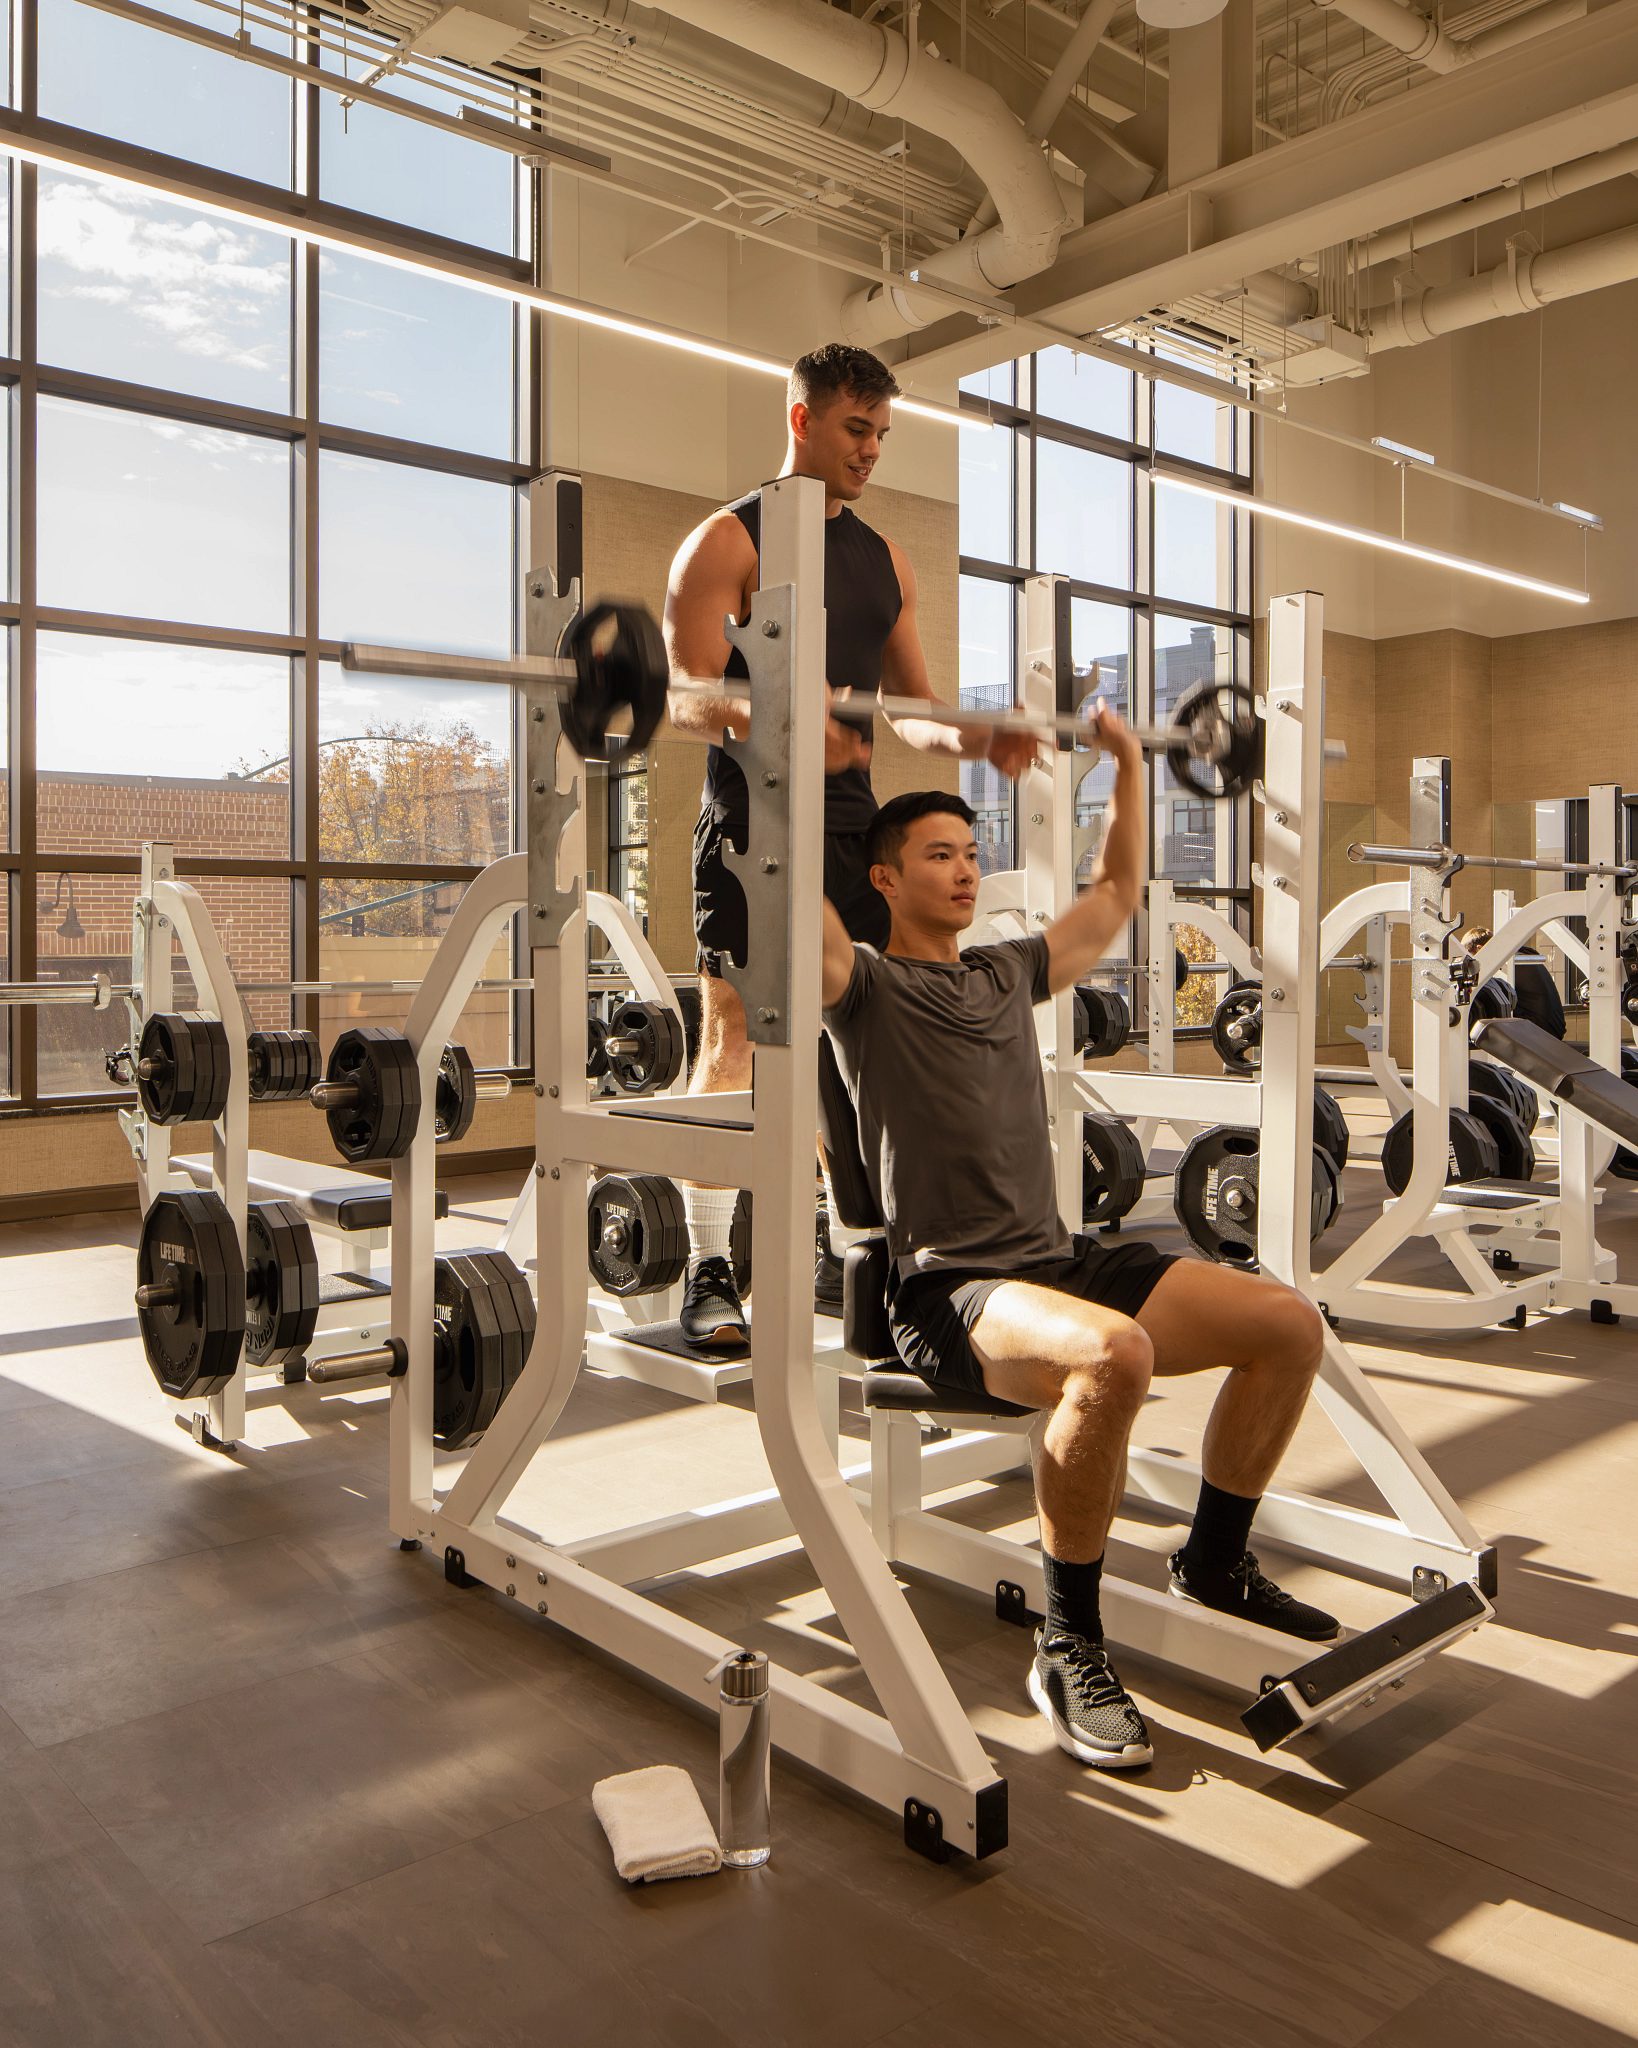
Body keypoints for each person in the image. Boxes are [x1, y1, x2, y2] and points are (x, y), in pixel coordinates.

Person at [820, 721, 1337, 1772]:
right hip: (952, 1289)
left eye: (970, 853)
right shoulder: (863, 988)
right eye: (938, 854)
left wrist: (1134, 770)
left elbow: (1112, 894)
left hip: (1057, 1256)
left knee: (1287, 1322)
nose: (965, 870)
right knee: (1114, 1358)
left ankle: (1216, 1562)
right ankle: (1069, 1642)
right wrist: (782, 740)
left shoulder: (1008, 971)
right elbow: (791, 911)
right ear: (884, 875)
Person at [664, 341, 1036, 1346]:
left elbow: (912, 710)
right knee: (736, 1039)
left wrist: (977, 732)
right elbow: (688, 693)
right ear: (802, 421)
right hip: (749, 823)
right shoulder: (725, 543)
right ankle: (705, 1266)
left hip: (851, 830)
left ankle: (852, 1249)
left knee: (862, 1047)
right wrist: (770, 719)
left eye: (881, 434)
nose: (872, 451)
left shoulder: (887, 560)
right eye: (855, 430)